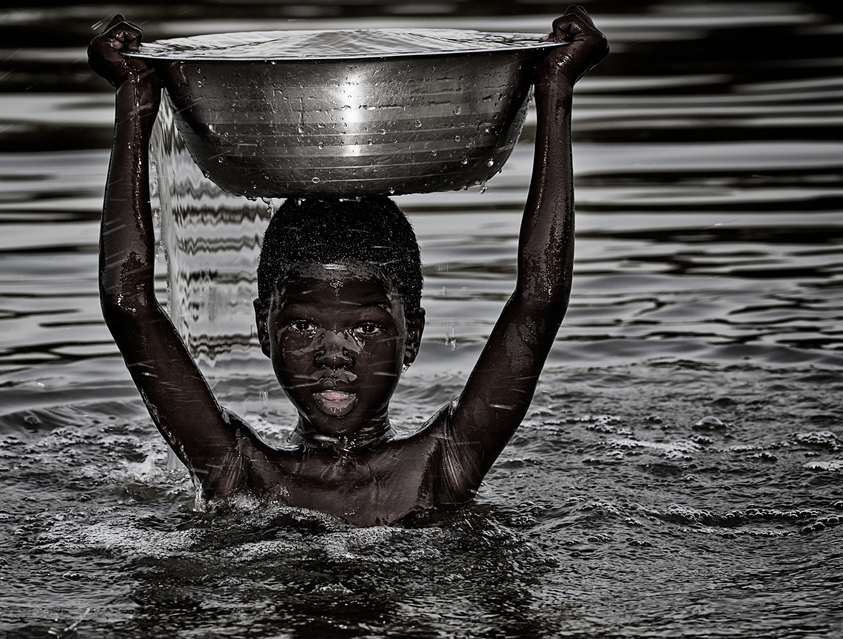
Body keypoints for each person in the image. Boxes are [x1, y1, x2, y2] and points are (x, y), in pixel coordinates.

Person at [88, 7, 608, 526]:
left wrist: (555, 92)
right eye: (302, 325)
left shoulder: (441, 467)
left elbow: (538, 300)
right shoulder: (242, 473)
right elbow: (128, 304)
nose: (332, 354)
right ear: (262, 329)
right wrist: (133, 100)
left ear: (412, 336)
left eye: (365, 327)